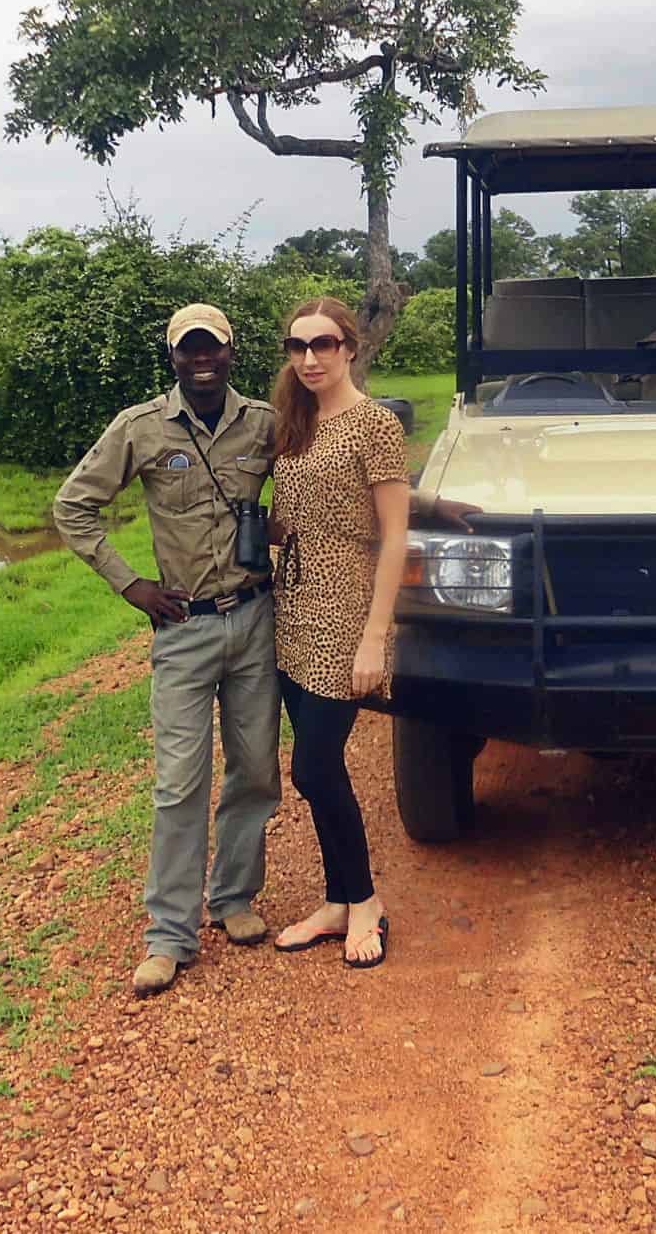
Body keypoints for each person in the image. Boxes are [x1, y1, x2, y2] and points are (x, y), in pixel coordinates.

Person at [52, 303, 282, 999]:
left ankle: (233, 900)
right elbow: (73, 506)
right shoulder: (140, 426)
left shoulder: (266, 424)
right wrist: (130, 585)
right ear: (174, 357)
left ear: (232, 353)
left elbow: (313, 488)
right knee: (179, 783)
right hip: (182, 629)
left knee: (256, 771)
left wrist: (281, 530)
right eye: (190, 350)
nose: (202, 359)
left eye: (213, 347)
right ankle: (168, 937)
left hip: (253, 621)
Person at [266, 296, 410, 969]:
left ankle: (367, 903)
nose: (310, 358)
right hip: (290, 612)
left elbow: (395, 535)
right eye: (298, 347)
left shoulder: (373, 424)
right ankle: (334, 901)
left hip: (344, 614)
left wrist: (376, 636)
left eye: (323, 344)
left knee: (315, 767)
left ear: (350, 348)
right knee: (317, 774)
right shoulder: (293, 423)